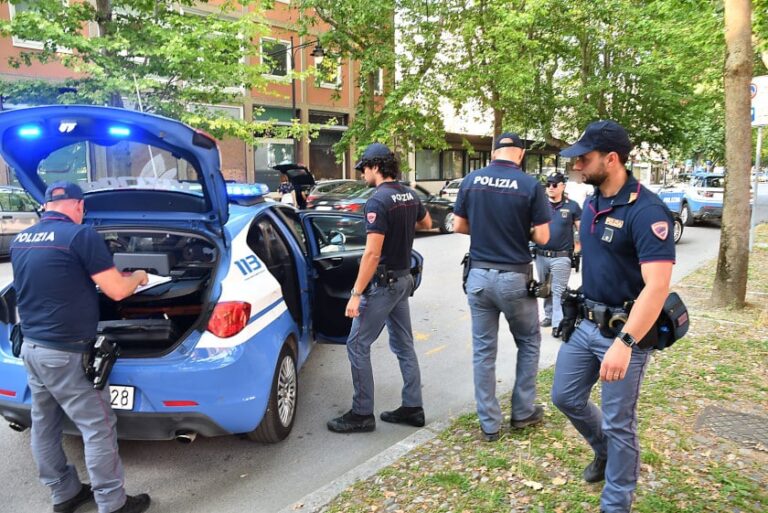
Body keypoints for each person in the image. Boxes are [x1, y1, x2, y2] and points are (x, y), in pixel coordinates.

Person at [551, 121, 675, 513]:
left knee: (620, 422)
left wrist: (625, 344)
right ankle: (603, 451)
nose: (577, 167)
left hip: (625, 333)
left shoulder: (647, 210)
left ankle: (616, 502)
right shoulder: (591, 202)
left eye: (584, 159)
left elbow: (656, 287)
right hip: (585, 323)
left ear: (612, 159)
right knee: (565, 396)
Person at [11, 182, 152, 513]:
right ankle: (112, 503)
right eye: (82, 208)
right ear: (77, 205)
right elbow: (117, 291)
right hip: (66, 352)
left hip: (32, 348)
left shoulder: (22, 240)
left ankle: (64, 492)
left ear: (47, 207)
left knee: (44, 423)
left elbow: (48, 283)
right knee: (98, 427)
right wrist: (139, 276)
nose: (83, 213)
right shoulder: (80, 236)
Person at [327, 143, 432, 433]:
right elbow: (426, 222)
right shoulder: (409, 194)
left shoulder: (377, 201)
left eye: (364, 169)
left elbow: (372, 254)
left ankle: (361, 413)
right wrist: (403, 231)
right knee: (404, 344)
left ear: (376, 166)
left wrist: (356, 293)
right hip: (403, 280)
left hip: (383, 285)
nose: (362, 174)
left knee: (356, 344)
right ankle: (413, 407)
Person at [453, 132, 551, 442]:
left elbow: (458, 226)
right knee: (529, 341)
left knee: (483, 351)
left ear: (495, 152)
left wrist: (484, 230)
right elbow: (544, 238)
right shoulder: (530, 185)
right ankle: (522, 412)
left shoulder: (471, 180)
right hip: (514, 278)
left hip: (479, 276)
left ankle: (490, 424)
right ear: (520, 155)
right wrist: (521, 230)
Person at [534, 172, 581, 338]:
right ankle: (548, 315)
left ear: (562, 186)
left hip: (561, 255)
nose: (550, 188)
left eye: (554, 184)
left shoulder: (572, 206)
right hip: (540, 255)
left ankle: (557, 323)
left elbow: (580, 229)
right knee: (545, 288)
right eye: (548, 184)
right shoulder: (539, 205)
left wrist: (578, 248)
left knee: (558, 290)